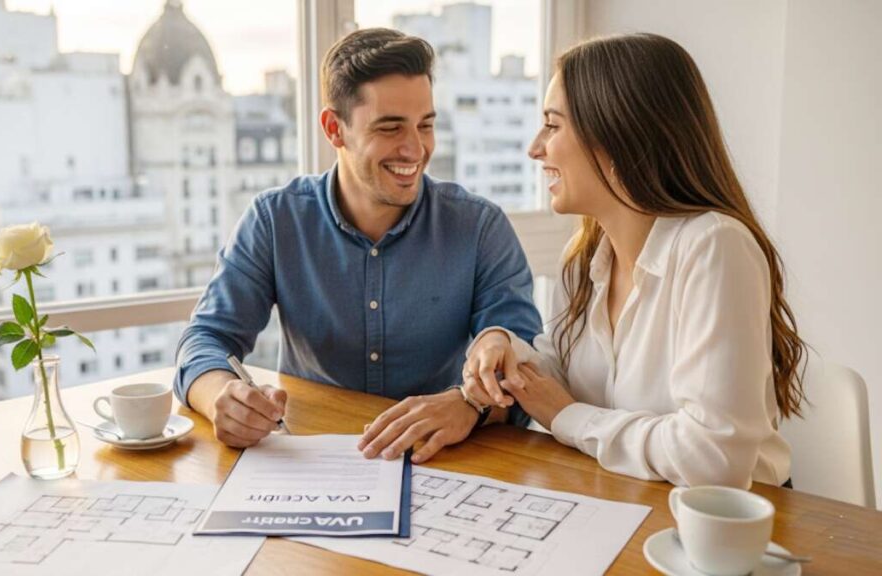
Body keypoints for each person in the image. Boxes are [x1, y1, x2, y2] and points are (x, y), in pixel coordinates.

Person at [174, 28, 541, 463]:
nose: (415, 149)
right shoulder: (275, 220)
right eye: (390, 128)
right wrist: (221, 395)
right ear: (334, 129)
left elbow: (523, 360)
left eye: (425, 125)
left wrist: (470, 405)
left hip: (445, 462)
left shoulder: (480, 226)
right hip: (308, 460)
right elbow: (205, 339)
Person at [462, 33, 806, 488]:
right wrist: (502, 349)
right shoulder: (585, 258)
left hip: (724, 530)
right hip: (623, 499)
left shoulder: (715, 247)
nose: (535, 147)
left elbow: (713, 459)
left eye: (552, 125)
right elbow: (562, 374)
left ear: (616, 134)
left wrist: (569, 418)